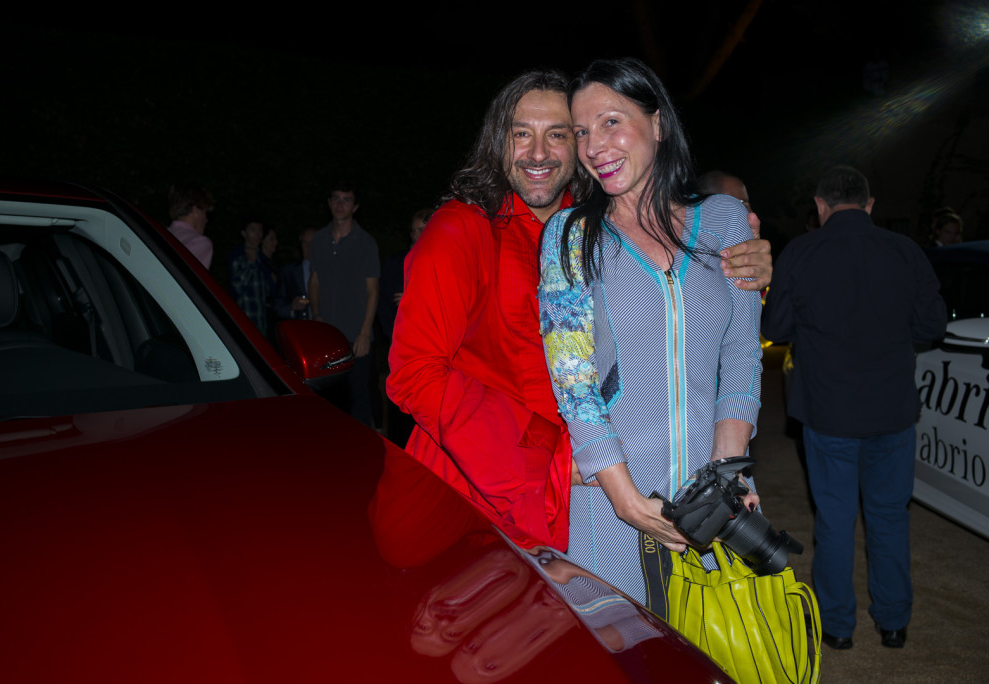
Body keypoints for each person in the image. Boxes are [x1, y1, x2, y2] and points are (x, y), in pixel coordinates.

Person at [386, 67, 772, 552]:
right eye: (521, 134)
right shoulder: (459, 231)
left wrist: (746, 269)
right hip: (475, 496)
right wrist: (548, 461)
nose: (539, 153)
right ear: (496, 142)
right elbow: (415, 374)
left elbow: (687, 323)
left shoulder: (590, 229)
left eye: (561, 135)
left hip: (576, 497)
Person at [538, 58, 763, 606]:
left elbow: (739, 350)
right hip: (612, 507)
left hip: (719, 499)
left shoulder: (725, 220)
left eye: (611, 122)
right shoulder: (570, 236)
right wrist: (626, 499)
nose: (594, 147)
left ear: (657, 123)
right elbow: (575, 381)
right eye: (582, 133)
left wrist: (729, 468)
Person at [761, 165, 947, 650]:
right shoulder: (906, 251)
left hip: (829, 411)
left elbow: (776, 328)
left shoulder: (801, 252)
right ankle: (893, 622)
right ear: (869, 205)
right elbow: (931, 322)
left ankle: (837, 627)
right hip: (891, 409)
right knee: (889, 515)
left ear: (821, 208)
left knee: (835, 518)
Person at [309, 181, 380, 426]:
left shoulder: (366, 242)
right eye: (336, 198)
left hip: (355, 336)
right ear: (329, 203)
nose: (340, 204)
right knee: (328, 400)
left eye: (346, 199)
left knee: (358, 398)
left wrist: (364, 333)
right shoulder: (318, 240)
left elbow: (373, 291)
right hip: (327, 335)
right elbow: (315, 280)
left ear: (355, 206)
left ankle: (365, 456)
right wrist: (316, 314)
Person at [379, 208, 434, 447]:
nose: (416, 235)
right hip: (401, 343)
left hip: (431, 346)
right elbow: (383, 304)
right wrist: (391, 337)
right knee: (399, 402)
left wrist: (413, 298)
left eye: (422, 229)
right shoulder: (395, 263)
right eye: (413, 231)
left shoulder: (440, 259)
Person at [228, 220, 275, 334]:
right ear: (244, 233)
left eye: (260, 230)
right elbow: (237, 287)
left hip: (261, 321)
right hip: (244, 321)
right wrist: (250, 263)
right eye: (253, 230)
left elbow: (268, 292)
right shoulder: (238, 255)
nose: (257, 234)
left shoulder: (262, 258)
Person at [166, 183, 214, 269]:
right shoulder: (200, 243)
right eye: (204, 212)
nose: (206, 220)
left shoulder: (159, 234)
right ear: (195, 211)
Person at [276, 228, 318, 320]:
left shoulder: (332, 271)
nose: (309, 247)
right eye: (305, 243)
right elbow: (277, 306)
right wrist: (291, 307)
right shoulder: (288, 272)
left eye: (313, 243)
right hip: (299, 328)